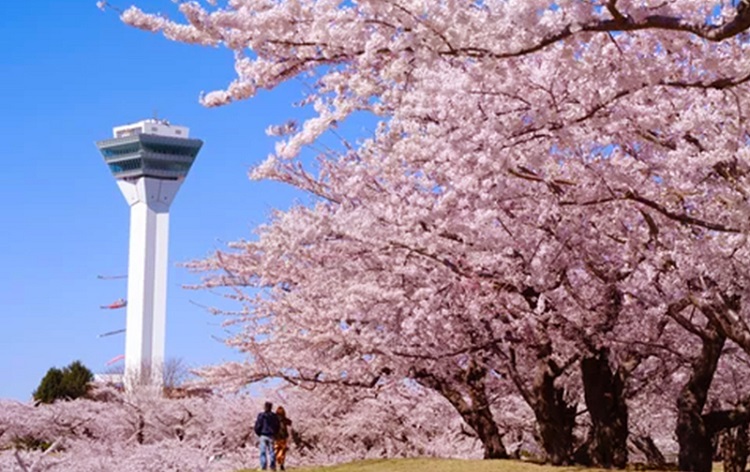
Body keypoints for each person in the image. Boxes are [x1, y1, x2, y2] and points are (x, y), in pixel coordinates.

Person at [255, 401, 280, 470]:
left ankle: (263, 466)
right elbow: (277, 426)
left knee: (262, 451)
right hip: (271, 435)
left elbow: (258, 425)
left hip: (263, 435)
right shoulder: (274, 416)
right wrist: (275, 433)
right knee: (272, 451)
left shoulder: (261, 415)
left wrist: (258, 433)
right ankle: (272, 466)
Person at [274, 406, 293, 471]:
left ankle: (277, 462)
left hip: (276, 437)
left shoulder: (274, 419)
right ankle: (281, 464)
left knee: (276, 450)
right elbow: (290, 422)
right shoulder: (284, 419)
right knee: (282, 451)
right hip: (283, 437)